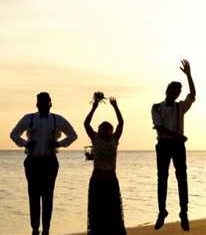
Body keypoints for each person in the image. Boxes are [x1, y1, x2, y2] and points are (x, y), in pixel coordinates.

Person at [10, 92, 78, 235]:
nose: (43, 105)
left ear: (50, 104)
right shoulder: (29, 119)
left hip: (50, 163)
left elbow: (73, 135)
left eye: (46, 103)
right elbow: (14, 134)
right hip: (32, 162)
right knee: (33, 196)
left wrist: (58, 143)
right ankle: (35, 229)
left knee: (48, 197)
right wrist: (26, 143)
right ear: (36, 104)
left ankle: (46, 230)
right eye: (40, 103)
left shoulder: (56, 119)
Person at [151, 59, 196, 231]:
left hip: (178, 147)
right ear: (167, 90)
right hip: (163, 145)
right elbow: (160, 128)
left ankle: (184, 212)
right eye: (173, 90)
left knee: (181, 178)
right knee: (162, 178)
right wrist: (178, 136)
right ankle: (162, 211)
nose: (175, 94)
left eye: (178, 92)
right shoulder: (156, 107)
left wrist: (189, 75)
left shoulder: (180, 107)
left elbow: (192, 96)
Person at [84, 94, 127, 235]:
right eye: (102, 128)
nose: (104, 130)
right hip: (97, 178)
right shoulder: (95, 138)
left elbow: (121, 123)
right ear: (99, 130)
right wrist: (94, 108)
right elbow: (86, 124)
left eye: (107, 129)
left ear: (111, 130)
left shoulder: (115, 139)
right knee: (97, 210)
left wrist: (116, 107)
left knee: (113, 209)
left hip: (111, 178)